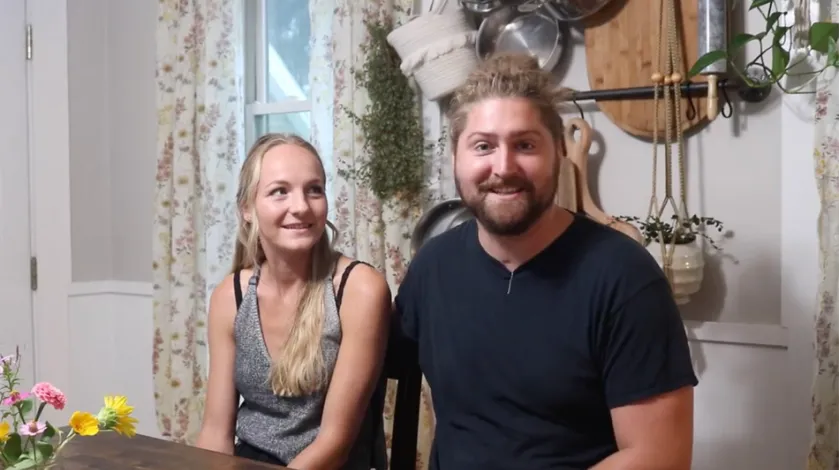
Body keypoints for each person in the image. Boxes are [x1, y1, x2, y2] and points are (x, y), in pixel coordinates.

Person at [394, 53, 698, 470]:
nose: (503, 167)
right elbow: (365, 365)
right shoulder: (433, 268)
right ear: (455, 160)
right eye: (483, 146)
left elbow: (659, 457)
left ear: (559, 153)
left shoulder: (624, 277)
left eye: (525, 145)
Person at [196, 133, 391, 470]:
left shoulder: (359, 289)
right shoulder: (231, 296)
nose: (301, 207)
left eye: (314, 190)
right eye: (279, 191)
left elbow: (335, 443)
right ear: (247, 209)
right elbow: (216, 433)